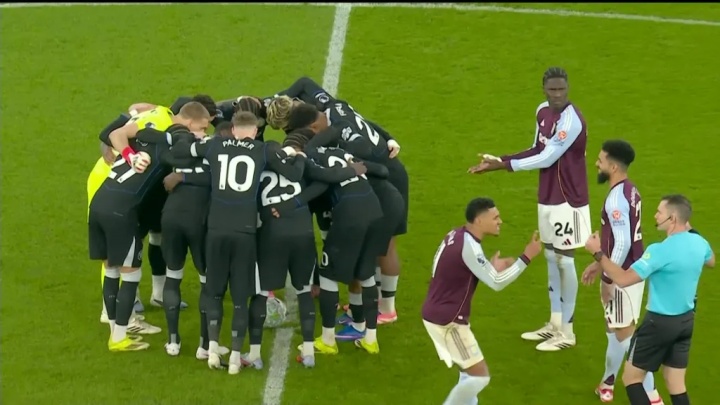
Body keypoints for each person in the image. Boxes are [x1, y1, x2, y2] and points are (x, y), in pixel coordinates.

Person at [169, 112, 304, 374]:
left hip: (216, 229)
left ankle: (211, 350)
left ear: (233, 129)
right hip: (244, 231)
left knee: (214, 292)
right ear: (254, 131)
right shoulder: (263, 150)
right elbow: (293, 174)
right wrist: (296, 156)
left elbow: (183, 152)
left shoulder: (215, 145)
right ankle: (233, 359)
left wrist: (187, 143)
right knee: (241, 298)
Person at [469, 67, 590, 351]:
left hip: (569, 199)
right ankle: (555, 324)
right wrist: (501, 159)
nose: (557, 95)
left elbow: (548, 158)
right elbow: (537, 148)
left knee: (565, 260)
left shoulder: (572, 121)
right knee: (550, 257)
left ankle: (568, 333)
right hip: (547, 195)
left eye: (562, 89)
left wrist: (503, 166)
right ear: (544, 89)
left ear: (568, 88)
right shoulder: (542, 112)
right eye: (552, 89)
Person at [89, 102, 211, 351]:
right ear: (189, 125)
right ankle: (119, 338)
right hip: (122, 212)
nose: (204, 133)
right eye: (202, 129)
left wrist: (128, 154)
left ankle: (114, 331)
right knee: (130, 275)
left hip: (99, 203)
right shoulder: (169, 150)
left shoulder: (143, 135)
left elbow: (115, 133)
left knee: (111, 270)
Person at [585, 194, 715, 405]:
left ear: (672, 218)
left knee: (631, 379)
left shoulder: (659, 251)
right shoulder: (700, 243)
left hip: (658, 324)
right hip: (685, 322)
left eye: (659, 212)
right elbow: (711, 261)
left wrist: (598, 254)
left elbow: (623, 279)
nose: (655, 216)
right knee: (676, 384)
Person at [287, 98, 407, 325]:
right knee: (369, 257)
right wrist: (361, 167)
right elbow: (380, 169)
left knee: (366, 260)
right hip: (387, 194)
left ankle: (369, 317)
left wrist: (292, 203)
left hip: (378, 202)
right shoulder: (338, 122)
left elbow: (322, 182)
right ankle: (365, 311)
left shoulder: (317, 155)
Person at [422, 197, 542, 404]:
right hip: (448, 322)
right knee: (479, 377)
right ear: (479, 220)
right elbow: (497, 282)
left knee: (468, 373)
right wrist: (526, 257)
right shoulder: (469, 246)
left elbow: (460, 270)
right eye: (495, 217)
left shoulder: (457, 235)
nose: (500, 221)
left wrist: (489, 267)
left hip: (437, 312)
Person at [580, 140, 662, 403]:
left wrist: (608, 277)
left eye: (601, 160)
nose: (596, 163)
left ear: (613, 167)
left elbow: (623, 242)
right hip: (633, 269)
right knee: (614, 330)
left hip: (622, 276)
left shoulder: (616, 199)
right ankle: (607, 382)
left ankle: (653, 396)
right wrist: (598, 263)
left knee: (628, 339)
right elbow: (620, 238)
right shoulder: (630, 189)